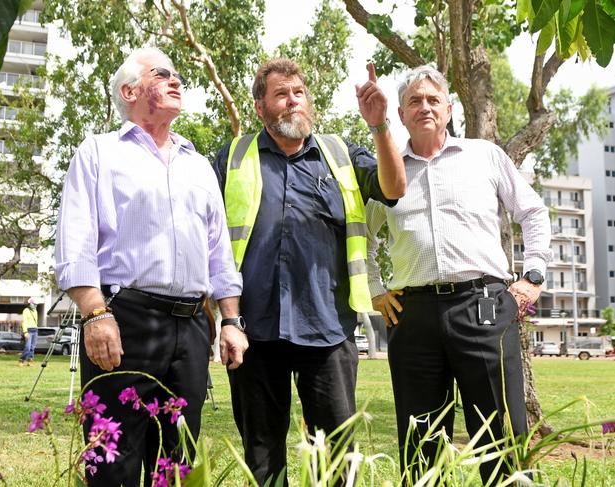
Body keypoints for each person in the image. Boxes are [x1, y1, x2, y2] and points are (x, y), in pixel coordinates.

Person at [54, 46, 247, 487]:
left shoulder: (198, 166)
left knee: (178, 461)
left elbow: (219, 252)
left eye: (178, 75)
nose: (178, 81)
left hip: (192, 326)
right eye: (163, 75)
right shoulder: (99, 153)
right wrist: (95, 313)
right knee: (112, 462)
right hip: (124, 321)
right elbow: (76, 240)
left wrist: (231, 320)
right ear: (129, 90)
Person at [213, 58, 406, 485]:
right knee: (261, 455)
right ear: (260, 107)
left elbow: (394, 188)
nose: (292, 101)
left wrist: (380, 126)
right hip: (254, 331)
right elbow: (207, 235)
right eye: (281, 94)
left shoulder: (341, 154)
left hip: (328, 329)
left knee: (336, 455)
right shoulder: (233, 157)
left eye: (298, 93)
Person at [366, 65, 552, 484]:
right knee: (420, 439)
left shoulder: (484, 156)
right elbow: (363, 234)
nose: (425, 107)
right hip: (411, 317)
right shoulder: (387, 170)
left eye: (433, 100)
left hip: (483, 308)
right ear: (400, 114)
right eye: (414, 100)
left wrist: (533, 276)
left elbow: (533, 212)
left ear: (449, 109)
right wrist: (375, 287)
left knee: (500, 434)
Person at [18, 297, 38, 366]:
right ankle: (21, 360)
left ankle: (30, 361)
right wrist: (25, 332)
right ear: (30, 303)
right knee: (27, 347)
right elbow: (24, 322)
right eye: (34, 303)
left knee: (32, 347)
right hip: (28, 330)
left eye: (36, 304)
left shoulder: (35, 311)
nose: (35, 305)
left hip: (35, 330)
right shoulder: (26, 310)